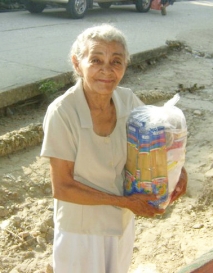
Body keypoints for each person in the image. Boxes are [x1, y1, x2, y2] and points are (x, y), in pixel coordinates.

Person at [40, 24, 187, 273]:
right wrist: (125, 201)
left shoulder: (128, 100)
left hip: (121, 225)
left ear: (125, 66)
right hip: (81, 232)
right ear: (78, 64)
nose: (106, 71)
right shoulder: (62, 112)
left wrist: (178, 171)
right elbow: (62, 187)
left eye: (116, 61)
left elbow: (159, 141)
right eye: (96, 60)